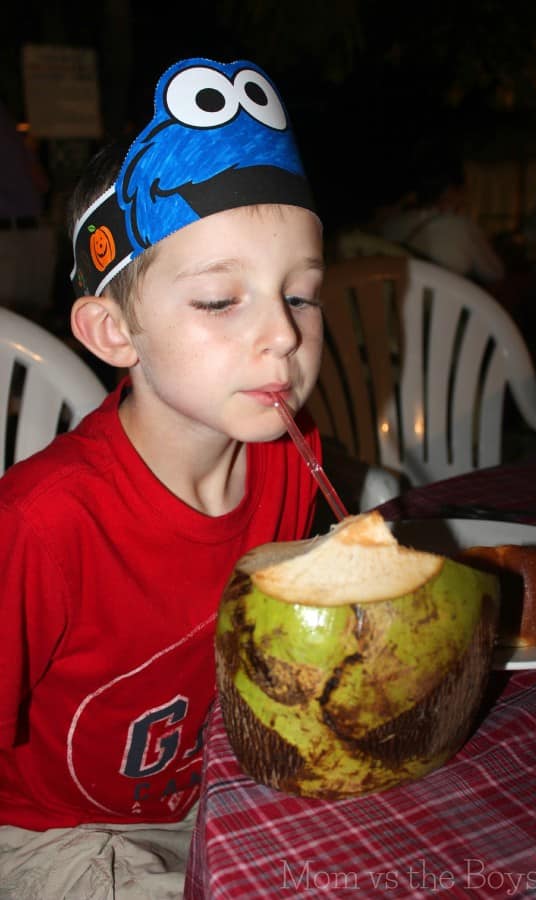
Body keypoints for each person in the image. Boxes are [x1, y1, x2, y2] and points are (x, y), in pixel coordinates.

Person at [0, 56, 324, 899]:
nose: (284, 337)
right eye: (223, 301)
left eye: (303, 295)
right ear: (113, 332)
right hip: (50, 836)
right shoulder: (45, 521)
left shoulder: (294, 462)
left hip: (204, 794)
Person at [372, 164, 505, 286]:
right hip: (445, 307)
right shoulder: (461, 226)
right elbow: (495, 274)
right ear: (452, 190)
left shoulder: (390, 225)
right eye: (464, 190)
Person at [0, 98, 56, 312]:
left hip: (27, 234)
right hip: (22, 233)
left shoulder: (10, 126)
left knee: (25, 319)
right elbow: (41, 183)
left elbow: (41, 182)